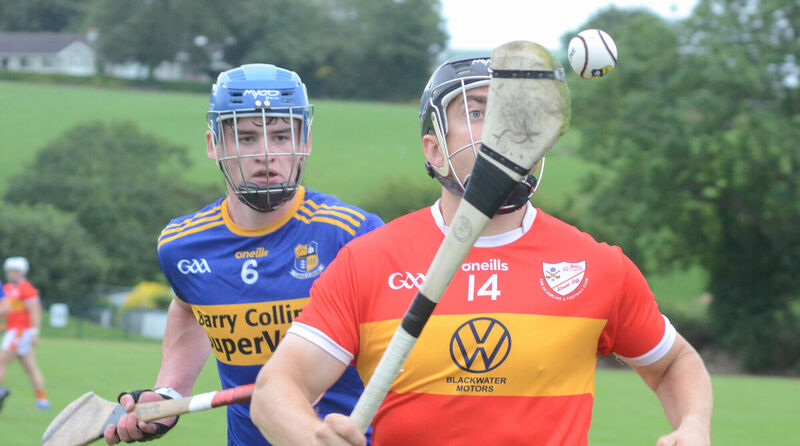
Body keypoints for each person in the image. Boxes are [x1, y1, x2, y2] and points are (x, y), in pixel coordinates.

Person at [250, 54, 713, 446]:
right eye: (475, 111)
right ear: (434, 150)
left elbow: (674, 362)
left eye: (513, 113)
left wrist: (693, 426)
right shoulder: (369, 261)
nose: (500, 127)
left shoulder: (597, 266)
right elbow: (277, 388)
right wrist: (311, 437)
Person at [103, 64, 383, 445]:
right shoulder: (182, 246)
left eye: (282, 136)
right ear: (213, 145)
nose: (266, 154)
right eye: (247, 138)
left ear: (306, 141)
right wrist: (169, 392)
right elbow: (189, 308)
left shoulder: (352, 233)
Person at [0, 256, 51, 411]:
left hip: (20, 332)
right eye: (9, 271)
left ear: (22, 272)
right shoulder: (7, 287)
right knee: (30, 367)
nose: (11, 274)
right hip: (13, 331)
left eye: (15, 271)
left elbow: (35, 311)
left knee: (1, 362)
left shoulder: (26, 289)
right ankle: (42, 401)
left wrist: (35, 333)